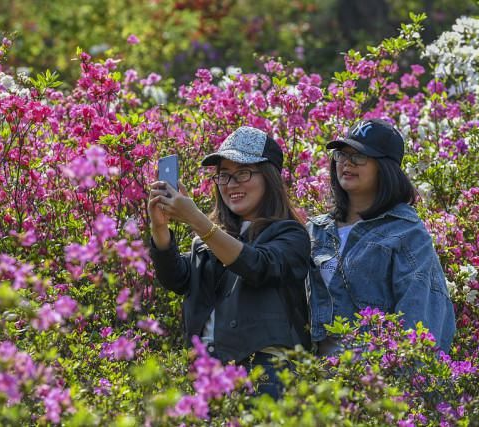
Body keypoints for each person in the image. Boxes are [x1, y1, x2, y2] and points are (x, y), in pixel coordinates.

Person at [148, 126, 311, 399]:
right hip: (208, 373)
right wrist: (160, 229)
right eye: (224, 176)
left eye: (243, 173)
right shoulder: (210, 239)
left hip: (265, 372)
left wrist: (197, 220)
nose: (231, 184)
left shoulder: (290, 234)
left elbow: (257, 266)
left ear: (269, 177)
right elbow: (177, 278)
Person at [307, 118, 456, 356]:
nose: (346, 163)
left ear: (385, 167)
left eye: (359, 156)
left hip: (372, 381)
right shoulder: (316, 229)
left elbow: (422, 319)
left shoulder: (407, 233)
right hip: (314, 383)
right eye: (342, 154)